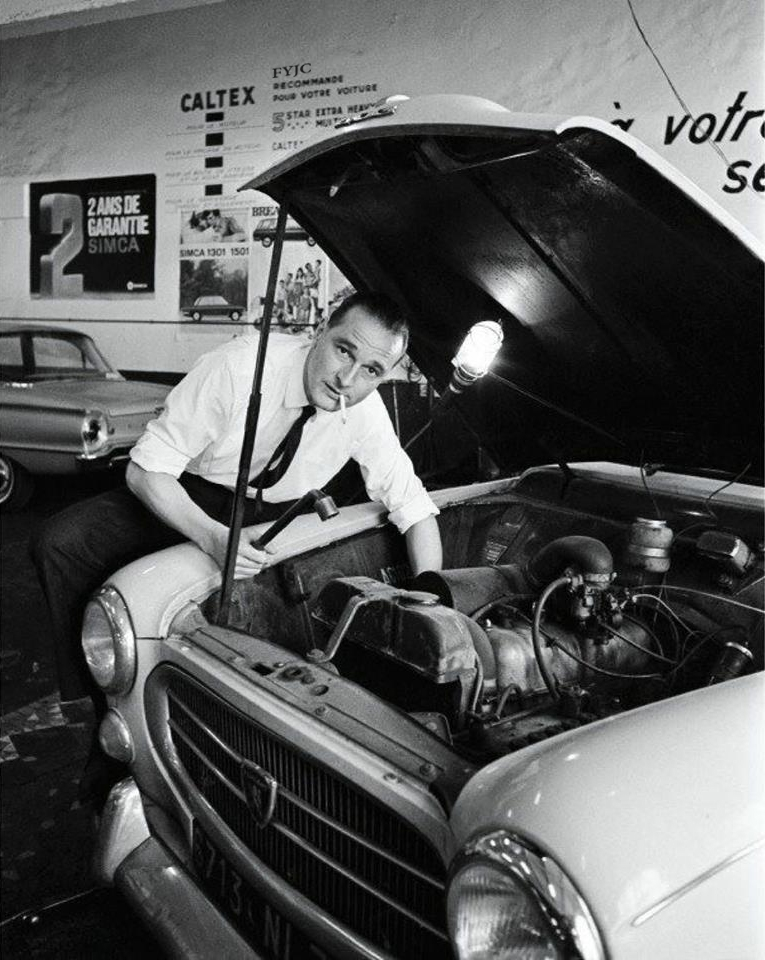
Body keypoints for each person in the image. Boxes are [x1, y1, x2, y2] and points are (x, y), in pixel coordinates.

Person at [31, 291, 442, 715]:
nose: (347, 379)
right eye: (344, 350)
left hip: (279, 514)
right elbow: (145, 470)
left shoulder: (366, 412)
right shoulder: (238, 366)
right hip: (193, 491)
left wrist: (432, 607)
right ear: (320, 331)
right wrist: (212, 537)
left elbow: (415, 510)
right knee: (60, 543)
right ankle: (98, 698)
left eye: (371, 370)